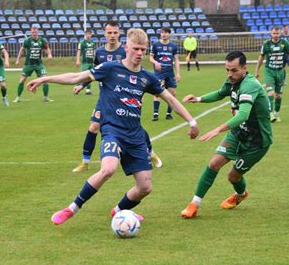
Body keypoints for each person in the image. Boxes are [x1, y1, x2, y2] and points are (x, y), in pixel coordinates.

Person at [26, 28, 200, 226]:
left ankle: (118, 211)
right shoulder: (110, 68)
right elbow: (76, 77)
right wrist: (45, 78)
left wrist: (192, 122)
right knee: (108, 169)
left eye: (143, 50)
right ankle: (71, 209)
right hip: (112, 131)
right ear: (126, 47)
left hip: (135, 135)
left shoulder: (147, 77)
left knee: (145, 187)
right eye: (136, 48)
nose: (140, 53)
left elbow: (170, 99)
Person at [180, 51, 272, 218]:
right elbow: (220, 93)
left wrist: (217, 129)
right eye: (227, 70)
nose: (230, 74)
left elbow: (243, 115)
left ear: (245, 69)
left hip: (257, 142)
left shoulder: (249, 85)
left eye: (234, 70)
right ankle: (194, 204)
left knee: (233, 176)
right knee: (214, 164)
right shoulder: (232, 79)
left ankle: (241, 194)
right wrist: (199, 99)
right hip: (238, 133)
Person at [72, 21, 162, 173]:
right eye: (109, 32)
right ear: (104, 34)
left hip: (125, 97)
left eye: (115, 32)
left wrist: (140, 89)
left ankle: (151, 152)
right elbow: (94, 72)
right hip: (106, 98)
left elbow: (139, 71)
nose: (112, 35)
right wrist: (81, 85)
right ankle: (85, 162)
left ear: (119, 33)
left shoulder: (125, 50)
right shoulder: (99, 52)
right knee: (93, 126)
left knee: (134, 127)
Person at [254, 26, 289, 123]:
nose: (275, 35)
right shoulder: (266, 44)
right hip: (269, 72)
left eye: (277, 33)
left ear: (280, 34)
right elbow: (261, 57)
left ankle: (276, 113)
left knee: (278, 96)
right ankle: (270, 113)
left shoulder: (285, 43)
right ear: (271, 34)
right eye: (274, 33)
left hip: (280, 72)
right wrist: (257, 70)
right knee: (270, 92)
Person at [14, 26, 53, 102]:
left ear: (38, 32)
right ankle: (18, 97)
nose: (34, 33)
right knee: (22, 80)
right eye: (33, 32)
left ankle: (46, 98)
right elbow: (22, 50)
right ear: (31, 32)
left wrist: (49, 54)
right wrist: (18, 60)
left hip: (39, 64)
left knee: (45, 80)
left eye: (35, 32)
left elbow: (47, 48)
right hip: (28, 64)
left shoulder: (42, 40)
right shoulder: (27, 40)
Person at [150, 27, 181, 121]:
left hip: (170, 73)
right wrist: (156, 63)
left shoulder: (173, 46)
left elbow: (176, 59)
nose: (164, 34)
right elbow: (150, 58)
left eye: (166, 33)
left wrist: (178, 73)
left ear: (169, 34)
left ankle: (168, 114)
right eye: (162, 32)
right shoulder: (155, 45)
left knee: (172, 93)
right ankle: (155, 114)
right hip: (159, 73)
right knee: (157, 93)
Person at [76, 29, 95, 95]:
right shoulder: (82, 43)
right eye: (86, 34)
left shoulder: (93, 42)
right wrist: (78, 60)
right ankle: (78, 87)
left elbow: (93, 52)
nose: (88, 35)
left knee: (90, 76)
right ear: (85, 35)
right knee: (83, 76)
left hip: (91, 62)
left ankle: (88, 90)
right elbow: (79, 52)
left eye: (89, 34)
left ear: (91, 34)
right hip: (85, 62)